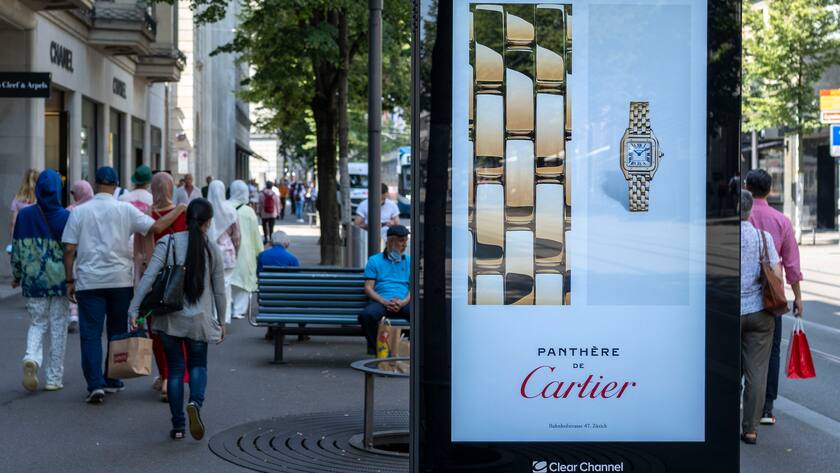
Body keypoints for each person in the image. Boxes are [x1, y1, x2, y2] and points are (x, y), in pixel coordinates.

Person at [62, 166, 185, 404]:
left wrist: (69, 280)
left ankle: (95, 384)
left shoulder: (79, 211)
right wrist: (180, 208)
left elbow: (68, 249)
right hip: (119, 280)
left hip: (89, 281)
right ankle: (112, 378)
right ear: (116, 183)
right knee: (117, 332)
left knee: (90, 334)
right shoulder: (125, 209)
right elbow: (156, 227)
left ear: (96, 183)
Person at [129, 199, 226, 441]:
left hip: (169, 320)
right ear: (208, 223)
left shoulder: (168, 242)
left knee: (174, 372)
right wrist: (222, 321)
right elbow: (219, 291)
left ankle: (179, 426)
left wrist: (134, 308)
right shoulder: (212, 249)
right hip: (199, 321)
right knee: (198, 366)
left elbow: (150, 276)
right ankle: (195, 403)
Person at [745, 169, 804, 426]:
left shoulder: (739, 215)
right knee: (770, 353)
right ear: (770, 190)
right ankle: (766, 408)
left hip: (740, 299)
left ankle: (740, 402)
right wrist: (798, 298)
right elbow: (791, 264)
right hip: (770, 298)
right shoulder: (781, 221)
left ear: (746, 187)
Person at [11, 170, 71, 392]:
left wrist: (17, 275)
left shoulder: (24, 215)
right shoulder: (66, 216)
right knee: (58, 326)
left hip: (34, 281)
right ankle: (54, 377)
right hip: (60, 282)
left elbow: (17, 249)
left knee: (37, 323)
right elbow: (72, 251)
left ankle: (32, 358)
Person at [739, 190, 782, 445]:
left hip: (728, 313)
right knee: (757, 373)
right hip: (759, 313)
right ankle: (750, 429)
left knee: (727, 370)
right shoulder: (763, 238)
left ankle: (721, 421)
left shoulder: (723, 236)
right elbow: (775, 273)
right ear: (750, 210)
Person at [149, 171, 190, 401]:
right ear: (172, 189)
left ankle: (164, 374)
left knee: (156, 330)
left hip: (154, 279)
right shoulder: (183, 212)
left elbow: (144, 247)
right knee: (178, 328)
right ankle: (173, 377)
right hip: (179, 278)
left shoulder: (148, 214)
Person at [358, 225, 411, 355]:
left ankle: (407, 348)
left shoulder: (410, 261)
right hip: (381, 301)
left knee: (422, 315)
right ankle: (378, 349)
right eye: (401, 241)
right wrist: (384, 302)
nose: (405, 245)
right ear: (391, 241)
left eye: (405, 241)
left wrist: (403, 302)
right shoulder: (374, 260)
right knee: (366, 316)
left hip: (403, 301)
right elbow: (368, 288)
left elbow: (413, 288)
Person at [228, 180, 263, 320]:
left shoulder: (224, 207)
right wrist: (259, 251)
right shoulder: (249, 211)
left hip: (226, 249)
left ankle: (226, 307)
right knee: (243, 282)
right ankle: (238, 310)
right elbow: (255, 234)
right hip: (245, 250)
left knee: (228, 280)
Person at [207, 180, 240, 324]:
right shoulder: (230, 209)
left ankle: (212, 316)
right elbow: (237, 235)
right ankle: (224, 318)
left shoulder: (205, 208)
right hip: (227, 252)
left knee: (209, 285)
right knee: (225, 286)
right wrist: (236, 252)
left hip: (208, 252)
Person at [65, 180, 95, 334]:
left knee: (75, 285)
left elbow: (68, 243)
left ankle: (74, 315)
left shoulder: (70, 210)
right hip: (94, 255)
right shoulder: (97, 209)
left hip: (77, 256)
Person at [120, 165, 155, 284]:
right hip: (145, 246)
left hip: (124, 243)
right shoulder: (152, 199)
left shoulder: (122, 199)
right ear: (149, 182)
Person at [9, 169, 38, 245]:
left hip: (21, 240)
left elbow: (13, 222)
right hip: (38, 239)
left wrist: (12, 244)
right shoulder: (41, 199)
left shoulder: (17, 198)